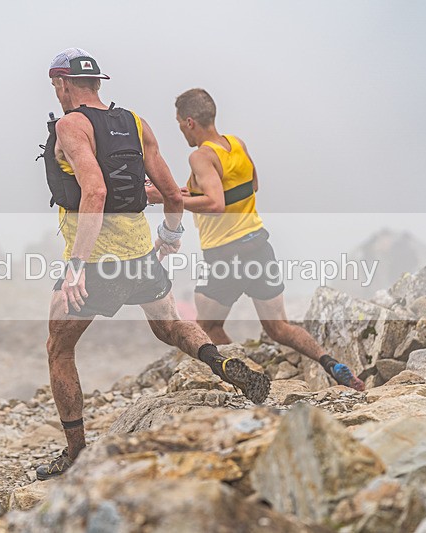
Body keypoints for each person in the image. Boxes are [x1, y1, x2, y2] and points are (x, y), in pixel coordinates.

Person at [36, 49, 271, 480]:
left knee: (58, 348)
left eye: (56, 85)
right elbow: (171, 192)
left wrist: (76, 266)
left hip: (97, 265)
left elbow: (95, 193)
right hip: (142, 256)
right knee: (169, 327)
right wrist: (171, 235)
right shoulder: (135, 122)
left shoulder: (71, 125)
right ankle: (220, 363)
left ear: (63, 84)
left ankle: (75, 453)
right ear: (98, 83)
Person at [146, 89, 364, 391]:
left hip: (225, 256)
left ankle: (249, 376)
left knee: (207, 327)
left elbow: (215, 203)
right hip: (259, 247)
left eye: (180, 123)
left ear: (190, 122)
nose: (181, 129)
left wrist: (175, 201)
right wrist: (175, 194)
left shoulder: (200, 156)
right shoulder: (236, 144)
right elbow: (252, 185)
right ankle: (333, 364)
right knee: (279, 327)